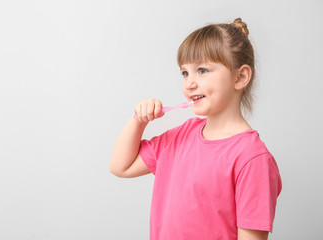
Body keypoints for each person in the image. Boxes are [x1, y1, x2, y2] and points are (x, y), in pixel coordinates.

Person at [109, 18, 282, 240]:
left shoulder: (252, 158)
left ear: (240, 77)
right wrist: (138, 120)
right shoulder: (180, 136)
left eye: (202, 70)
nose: (189, 83)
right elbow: (120, 167)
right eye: (185, 73)